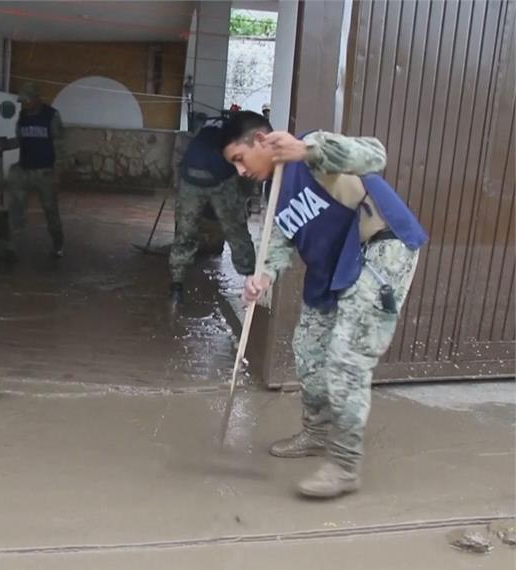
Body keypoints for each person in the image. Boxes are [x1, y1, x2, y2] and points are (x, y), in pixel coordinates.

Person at [221, 111, 427, 499]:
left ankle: (345, 464)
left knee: (346, 358)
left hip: (379, 250)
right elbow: (278, 247)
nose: (240, 171)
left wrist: (306, 149)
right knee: (309, 352)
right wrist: (261, 278)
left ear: (262, 142)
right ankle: (316, 434)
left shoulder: (314, 149)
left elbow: (374, 155)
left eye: (239, 158)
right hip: (331, 269)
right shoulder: (277, 194)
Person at [168, 116, 256, 304]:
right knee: (235, 229)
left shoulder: (203, 128)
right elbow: (245, 171)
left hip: (190, 176)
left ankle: (176, 284)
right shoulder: (237, 131)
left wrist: (177, 181)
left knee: (185, 230)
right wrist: (247, 197)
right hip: (220, 178)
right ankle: (251, 277)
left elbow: (181, 156)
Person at [0, 82, 65, 262]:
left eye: (26, 101)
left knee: (50, 210)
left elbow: (60, 145)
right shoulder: (23, 115)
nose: (22, 105)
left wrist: (59, 169)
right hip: (24, 169)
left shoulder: (51, 116)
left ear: (36, 99)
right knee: (16, 208)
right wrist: (5, 145)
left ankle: (58, 244)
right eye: (21, 101)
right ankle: (11, 246)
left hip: (45, 171)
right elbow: (21, 140)